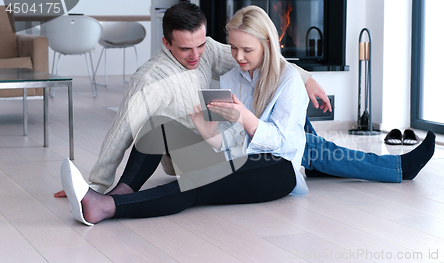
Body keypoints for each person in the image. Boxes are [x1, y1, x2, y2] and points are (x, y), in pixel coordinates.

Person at [61, 5, 310, 225]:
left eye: (246, 50)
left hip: (278, 169)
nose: (238, 56)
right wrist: (208, 134)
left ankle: (106, 207)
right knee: (156, 127)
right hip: (232, 160)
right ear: (166, 43)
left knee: (198, 183)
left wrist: (246, 117)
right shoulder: (233, 74)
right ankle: (121, 193)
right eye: (233, 48)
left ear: (267, 44)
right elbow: (228, 140)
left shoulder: (289, 81)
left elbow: (279, 142)